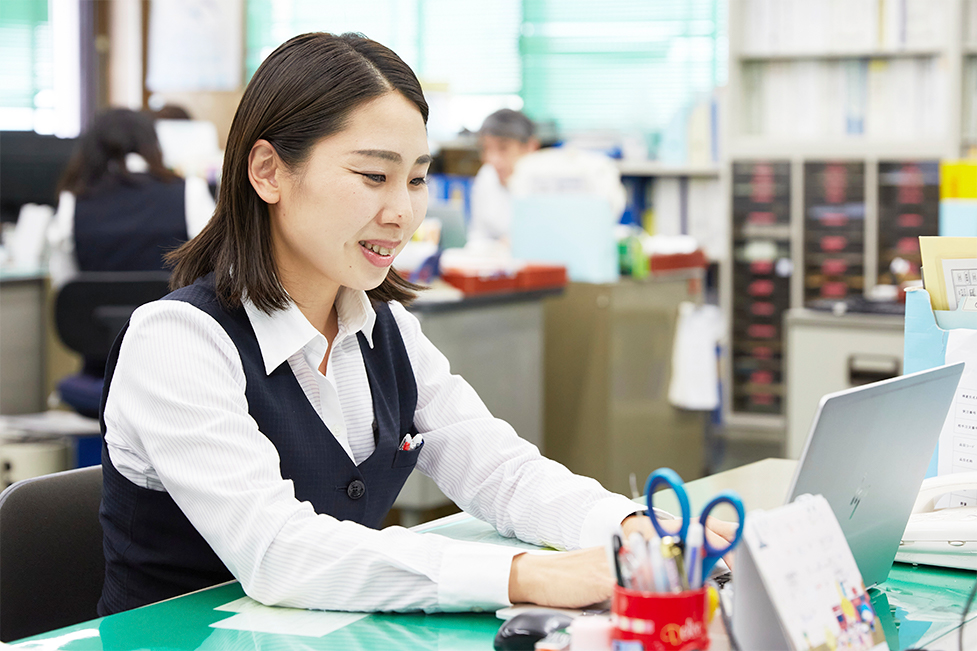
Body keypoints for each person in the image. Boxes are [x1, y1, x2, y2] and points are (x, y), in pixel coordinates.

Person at [98, 32, 734, 616]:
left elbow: (502, 473)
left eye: (418, 179)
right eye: (374, 176)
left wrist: (629, 528)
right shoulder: (178, 341)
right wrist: (523, 576)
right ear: (268, 171)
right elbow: (275, 550)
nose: (402, 211)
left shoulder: (387, 331)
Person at [47, 107, 215, 388]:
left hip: (101, 369)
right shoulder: (189, 193)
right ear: (152, 144)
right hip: (179, 362)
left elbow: (66, 286)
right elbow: (215, 273)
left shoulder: (73, 201)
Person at [467, 109, 539, 246]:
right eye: (486, 148)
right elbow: (477, 235)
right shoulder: (487, 175)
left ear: (530, 147)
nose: (492, 159)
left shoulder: (545, 182)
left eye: (503, 148)